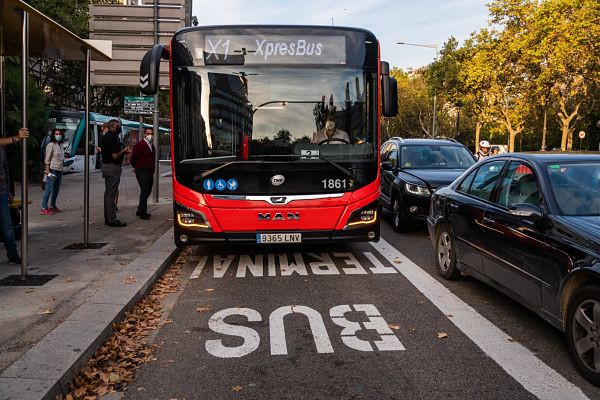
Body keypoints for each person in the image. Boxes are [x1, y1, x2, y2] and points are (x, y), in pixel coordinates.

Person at [0, 128, 29, 264]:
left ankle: (13, 254)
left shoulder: (2, 150)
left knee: (7, 225)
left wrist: (10, 191)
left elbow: (6, 169)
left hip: (2, 192)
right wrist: (16, 138)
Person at [101, 119, 130, 227]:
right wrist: (124, 151)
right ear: (112, 127)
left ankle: (109, 217)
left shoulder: (112, 137)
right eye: (118, 126)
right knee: (111, 194)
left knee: (109, 193)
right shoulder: (110, 138)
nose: (119, 128)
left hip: (110, 167)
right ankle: (111, 219)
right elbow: (114, 156)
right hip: (112, 167)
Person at [130, 128, 155, 220]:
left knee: (148, 190)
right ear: (144, 134)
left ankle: (140, 210)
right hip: (142, 171)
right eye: (148, 133)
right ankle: (142, 212)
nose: (150, 135)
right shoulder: (139, 145)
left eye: (151, 134)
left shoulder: (151, 145)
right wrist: (137, 167)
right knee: (144, 190)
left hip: (149, 171)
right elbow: (133, 159)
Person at [40, 130, 65, 215]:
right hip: (52, 169)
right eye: (56, 134)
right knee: (49, 189)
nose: (58, 135)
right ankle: (44, 207)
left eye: (59, 134)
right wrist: (47, 170)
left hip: (60, 170)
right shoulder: (51, 145)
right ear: (53, 135)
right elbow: (47, 158)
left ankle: (52, 206)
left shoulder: (61, 145)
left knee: (56, 189)